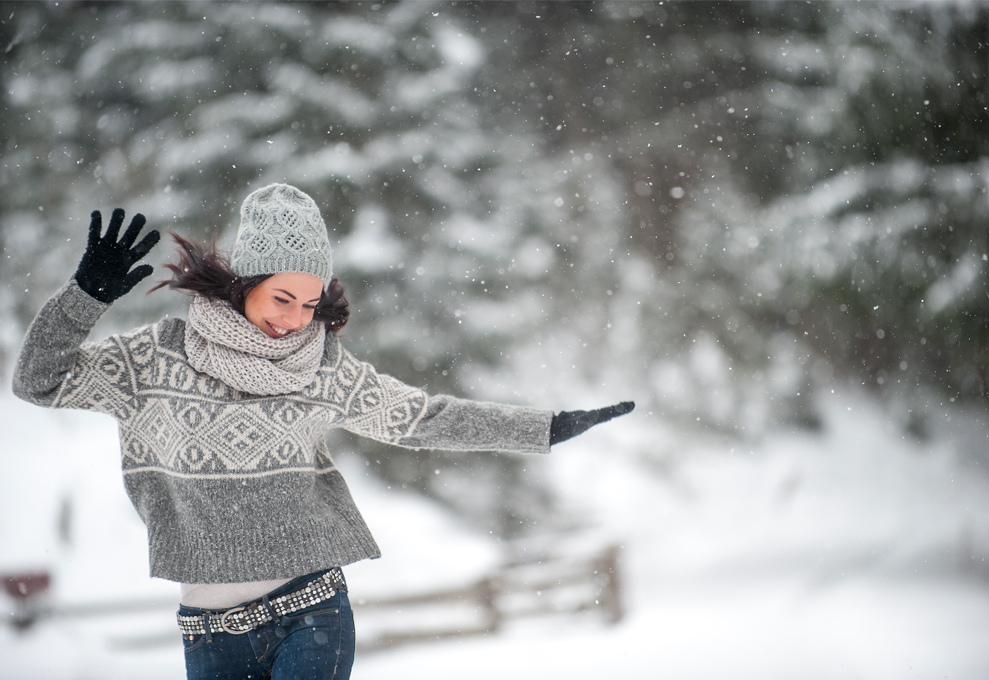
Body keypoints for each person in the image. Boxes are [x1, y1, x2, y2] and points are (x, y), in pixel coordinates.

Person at [12, 183, 634, 679]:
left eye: (310, 304)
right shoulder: (155, 359)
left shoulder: (320, 367)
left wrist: (543, 428)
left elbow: (420, 418)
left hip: (311, 612)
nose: (296, 320)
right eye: (283, 298)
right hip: (208, 631)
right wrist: (83, 298)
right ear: (246, 282)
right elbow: (37, 380)